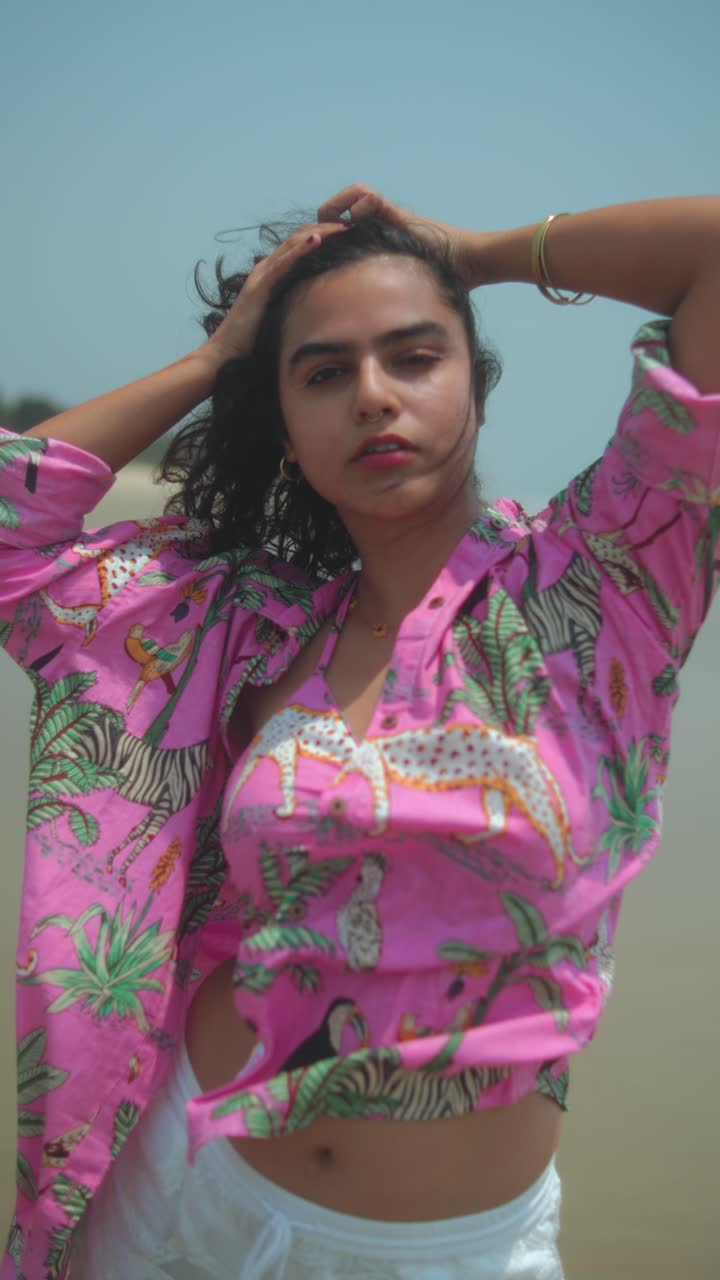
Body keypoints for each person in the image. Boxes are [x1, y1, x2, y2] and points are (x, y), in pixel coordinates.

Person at [1, 183, 718, 1280]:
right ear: (286, 427)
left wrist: (467, 253)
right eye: (324, 374)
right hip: (176, 1187)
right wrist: (218, 360)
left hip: (445, 1250)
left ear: (475, 382)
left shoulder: (607, 582)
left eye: (415, 354)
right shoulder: (240, 623)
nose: (374, 397)